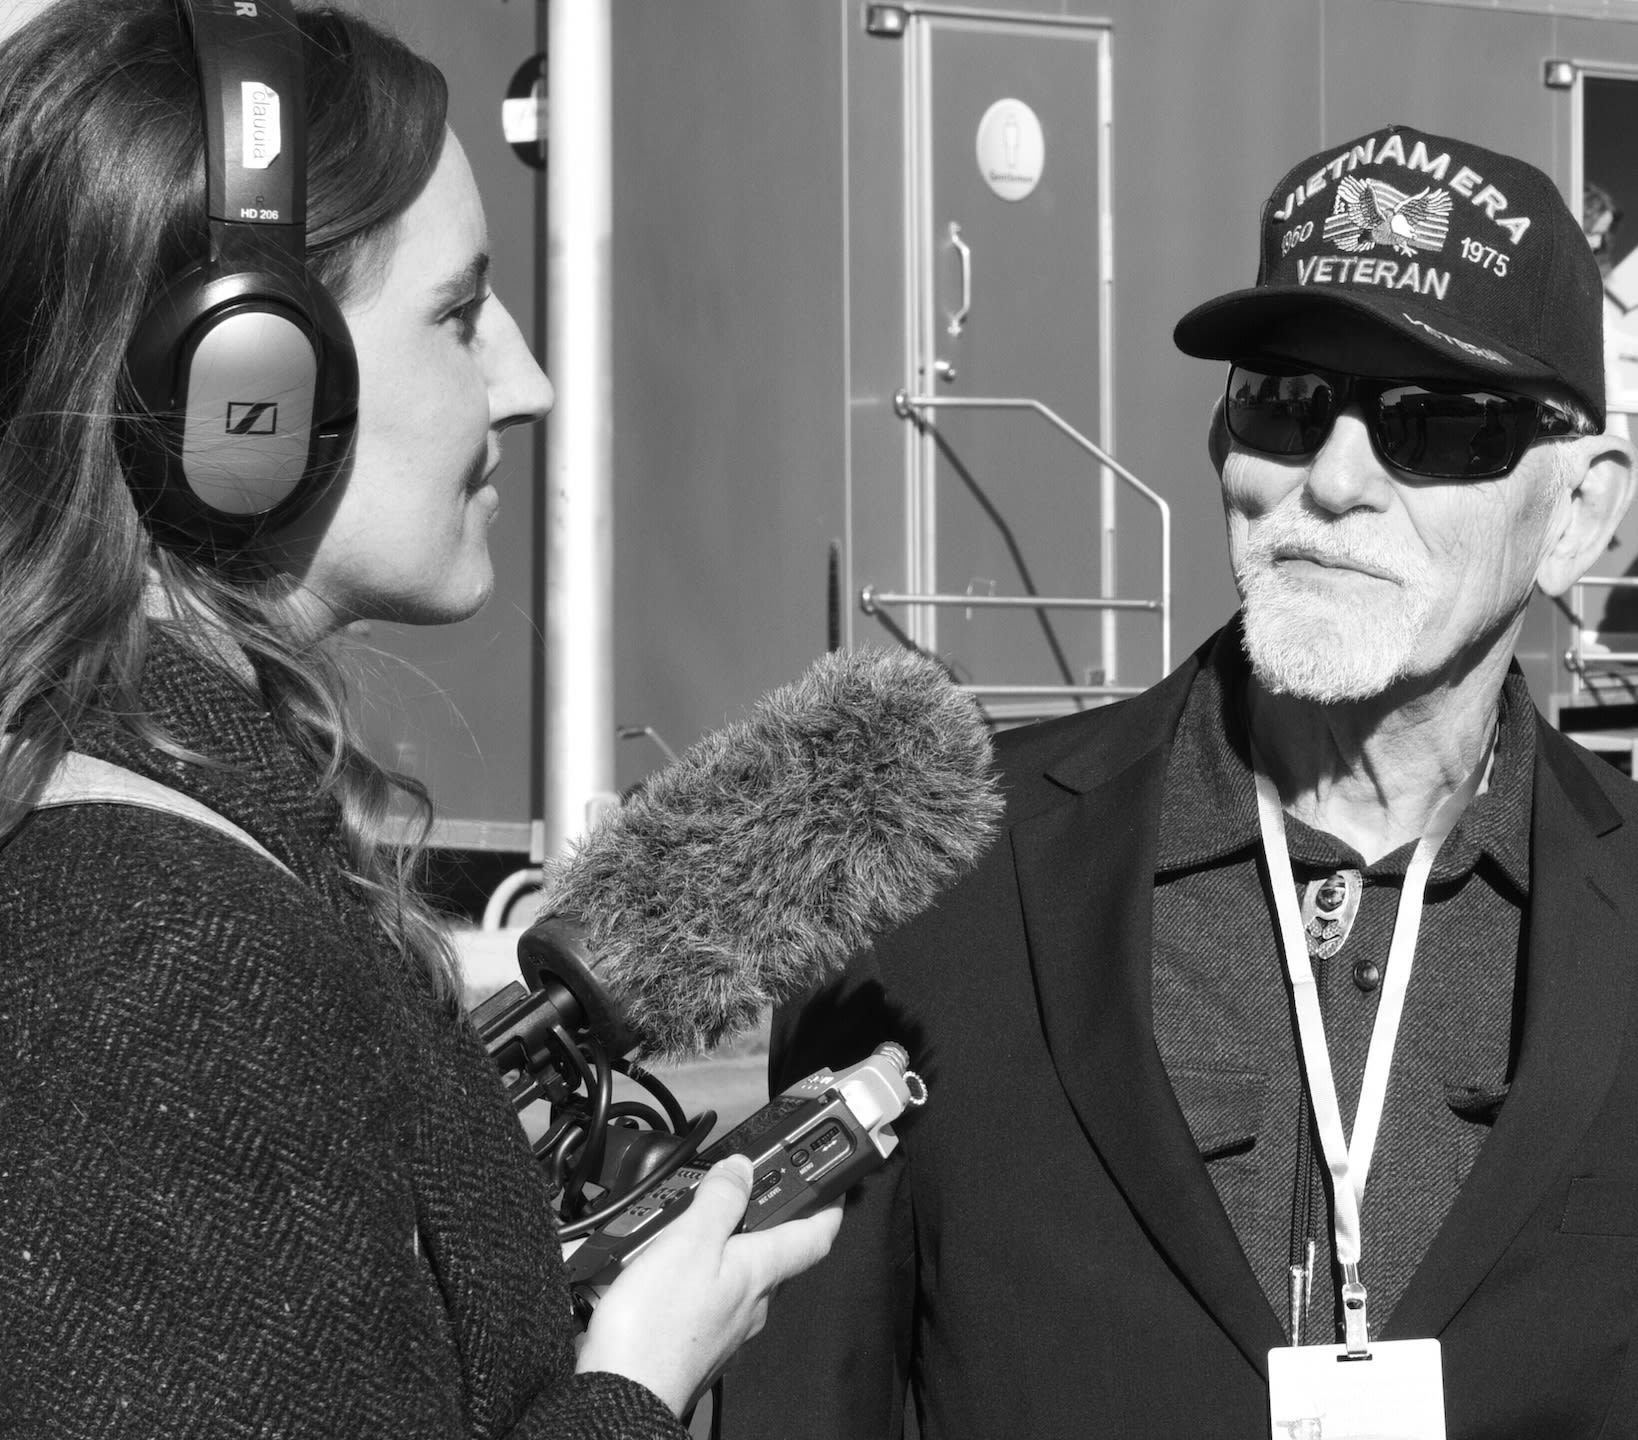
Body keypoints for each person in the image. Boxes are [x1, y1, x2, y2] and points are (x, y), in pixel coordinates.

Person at [721, 124, 1638, 1438]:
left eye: (1433, 422)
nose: (1327, 479)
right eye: (1282, 400)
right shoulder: (928, 877)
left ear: (1578, 514)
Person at [0, 3, 838, 1436]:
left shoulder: (166, 872)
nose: (527, 383)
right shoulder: (160, 943)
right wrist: (633, 1380)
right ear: (246, 389)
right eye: (458, 313)